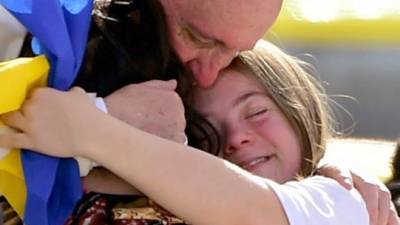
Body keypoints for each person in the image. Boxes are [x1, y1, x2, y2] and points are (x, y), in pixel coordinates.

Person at [1, 40, 398, 225]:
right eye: (203, 128)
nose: (236, 138)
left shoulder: (344, 203)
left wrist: (90, 129)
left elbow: (247, 209)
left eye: (257, 112)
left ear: (301, 111)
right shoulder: (122, 194)